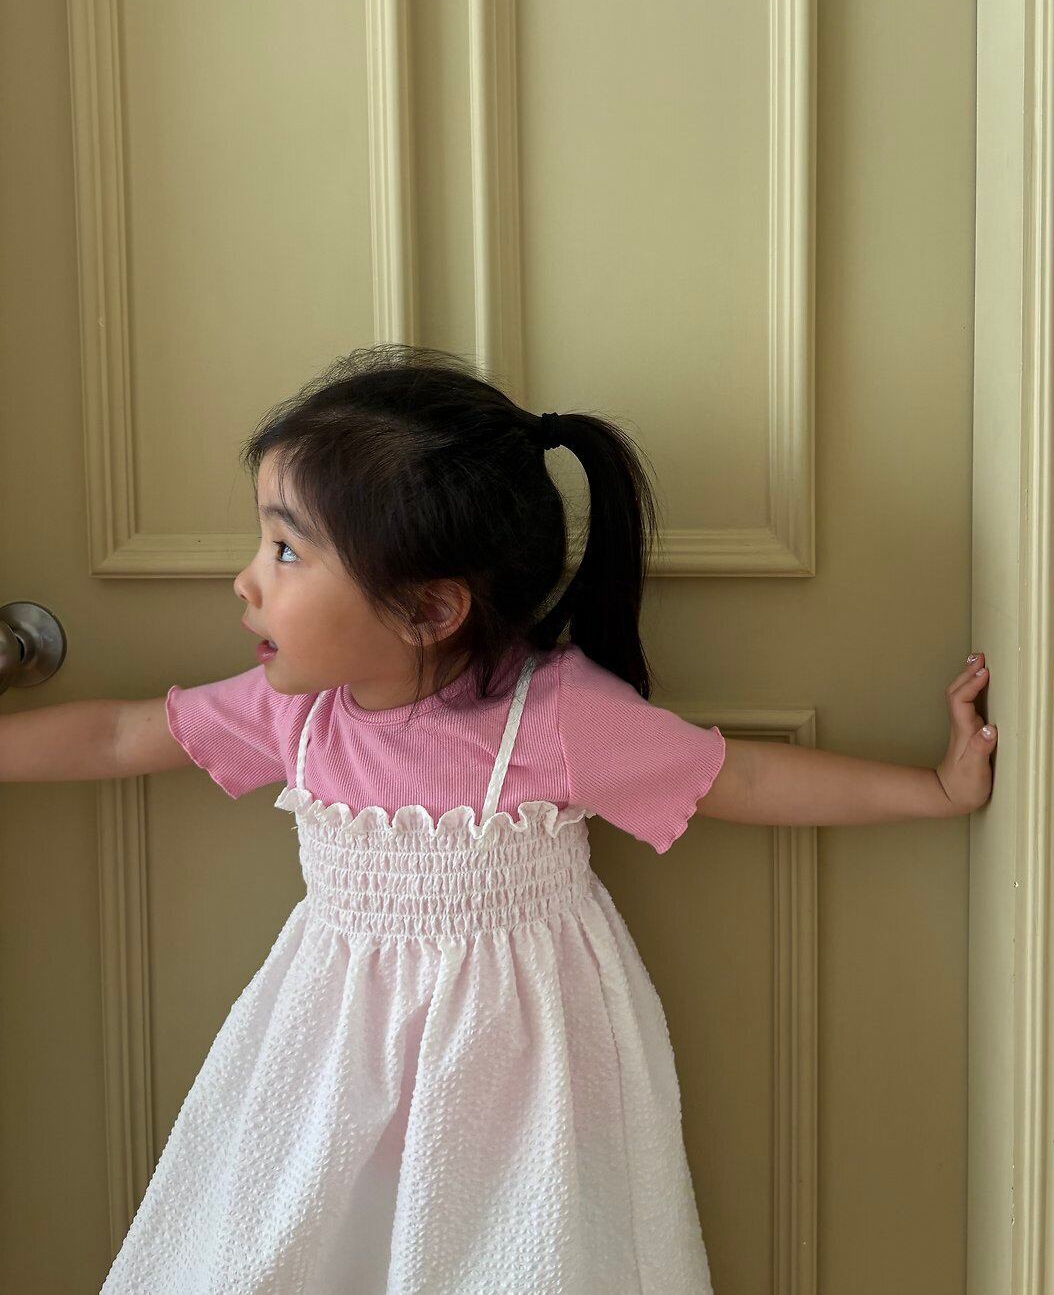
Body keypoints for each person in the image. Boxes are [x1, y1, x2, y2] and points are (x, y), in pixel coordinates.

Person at [1, 344, 997, 1293]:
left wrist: (936, 788)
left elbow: (742, 779)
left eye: (286, 549)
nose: (246, 579)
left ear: (429, 609)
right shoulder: (294, 713)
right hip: (332, 1054)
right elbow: (119, 737)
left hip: (518, 1075)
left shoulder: (552, 716)